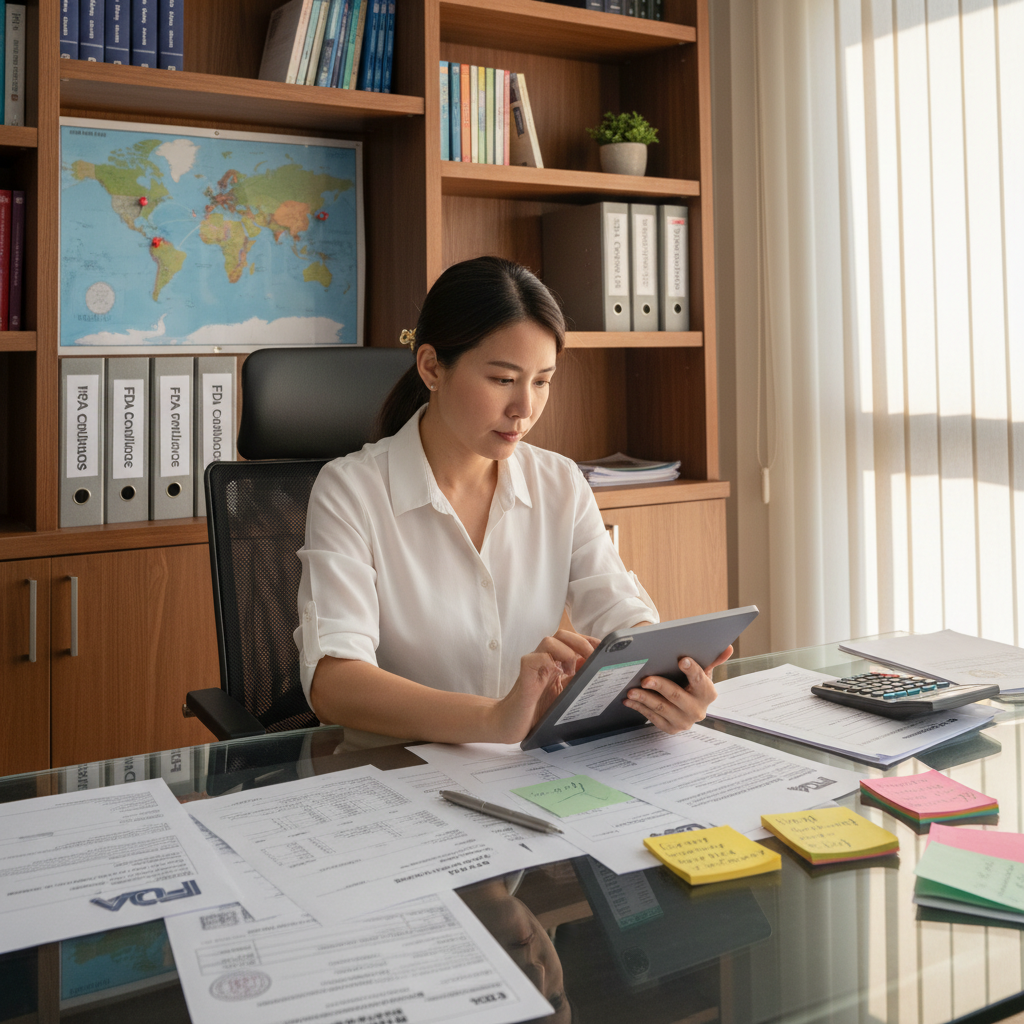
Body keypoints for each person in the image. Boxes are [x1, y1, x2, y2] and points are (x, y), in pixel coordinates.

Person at [295, 256, 729, 748]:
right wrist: (494, 719)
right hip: (396, 775)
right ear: (432, 367)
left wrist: (667, 682)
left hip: (524, 772)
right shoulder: (351, 490)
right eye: (503, 380)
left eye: (542, 381)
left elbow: (621, 618)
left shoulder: (560, 482)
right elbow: (334, 682)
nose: (525, 409)